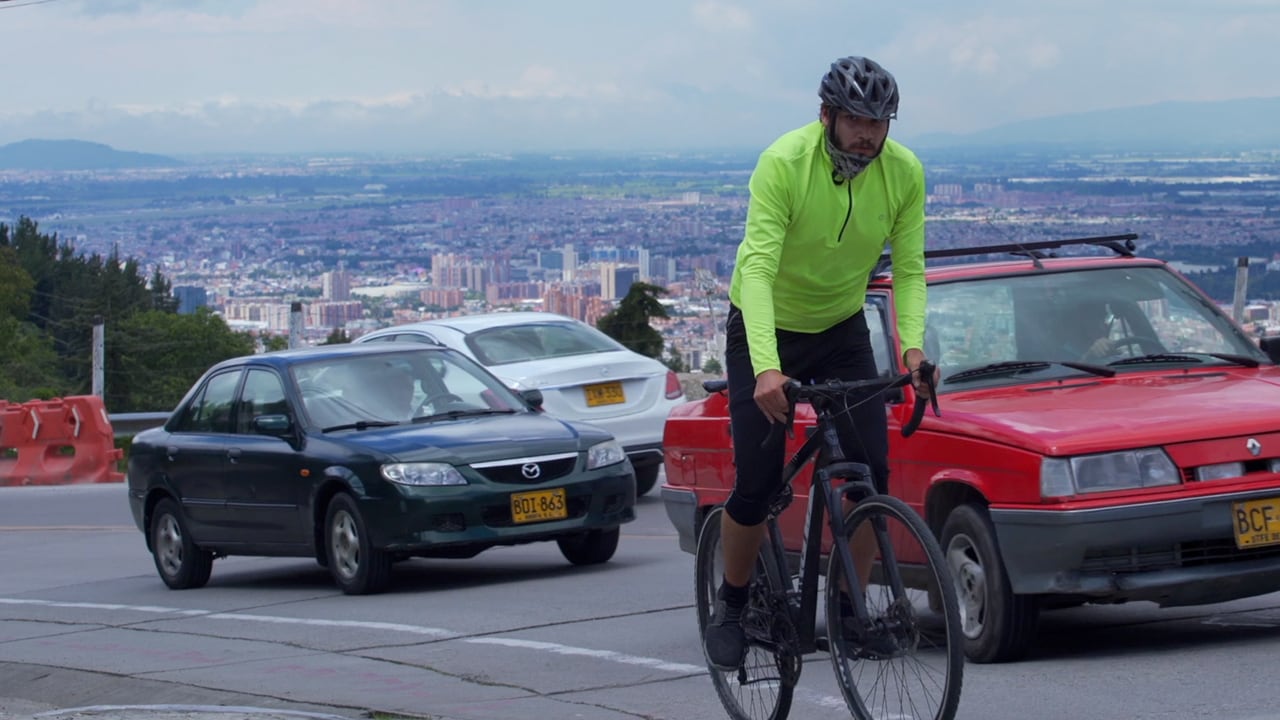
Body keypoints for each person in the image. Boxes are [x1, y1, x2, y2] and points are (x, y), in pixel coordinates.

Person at [703, 55, 937, 670]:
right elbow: (755, 269)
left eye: (879, 121)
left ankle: (849, 610)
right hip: (763, 327)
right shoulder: (785, 162)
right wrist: (765, 368)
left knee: (868, 473)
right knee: (756, 483)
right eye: (856, 119)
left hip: (840, 327)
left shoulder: (904, 172)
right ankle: (730, 601)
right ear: (827, 116)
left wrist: (911, 347)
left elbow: (908, 269)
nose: (868, 133)